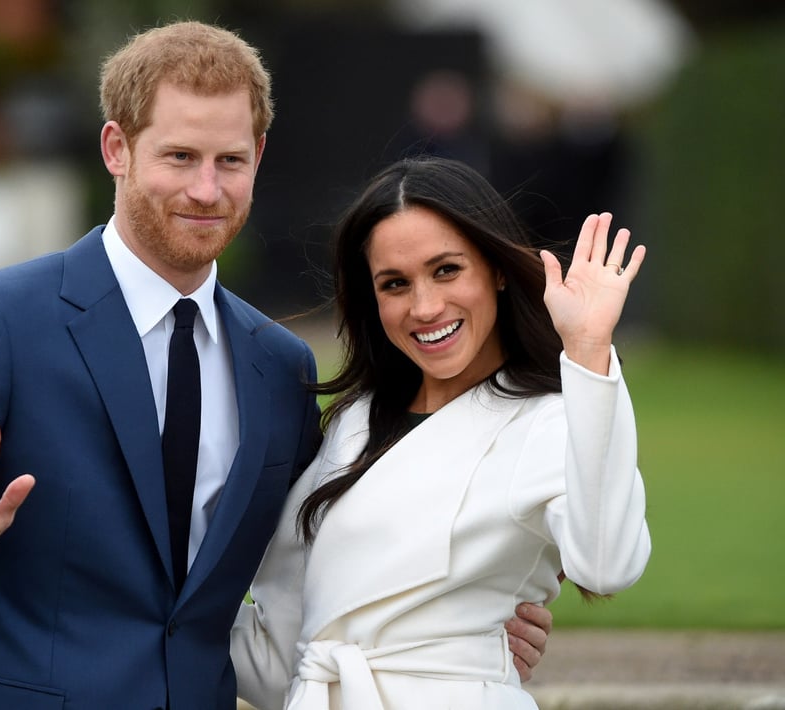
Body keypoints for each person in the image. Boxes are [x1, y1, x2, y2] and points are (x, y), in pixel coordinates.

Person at [0, 22, 551, 710]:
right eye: (180, 157)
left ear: (259, 156)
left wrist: (464, 617)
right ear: (116, 148)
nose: (207, 191)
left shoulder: (280, 367)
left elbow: (331, 547)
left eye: (230, 161)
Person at [231, 156, 651, 709]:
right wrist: (138, 611)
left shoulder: (549, 420)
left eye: (447, 270)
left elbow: (608, 565)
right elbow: (284, 651)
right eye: (395, 283)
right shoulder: (352, 424)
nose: (426, 307)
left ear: (496, 268)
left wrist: (590, 351)